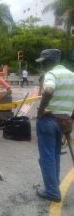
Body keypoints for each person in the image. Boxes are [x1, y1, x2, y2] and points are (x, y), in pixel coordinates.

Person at [35, 49, 74, 202]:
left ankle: (52, 191)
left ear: (49, 61)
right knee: (55, 155)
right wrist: (71, 122)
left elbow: (49, 90)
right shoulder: (72, 75)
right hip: (65, 120)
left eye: (43, 62)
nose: (42, 65)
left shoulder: (51, 74)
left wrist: (41, 110)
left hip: (49, 119)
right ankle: (54, 184)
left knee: (47, 156)